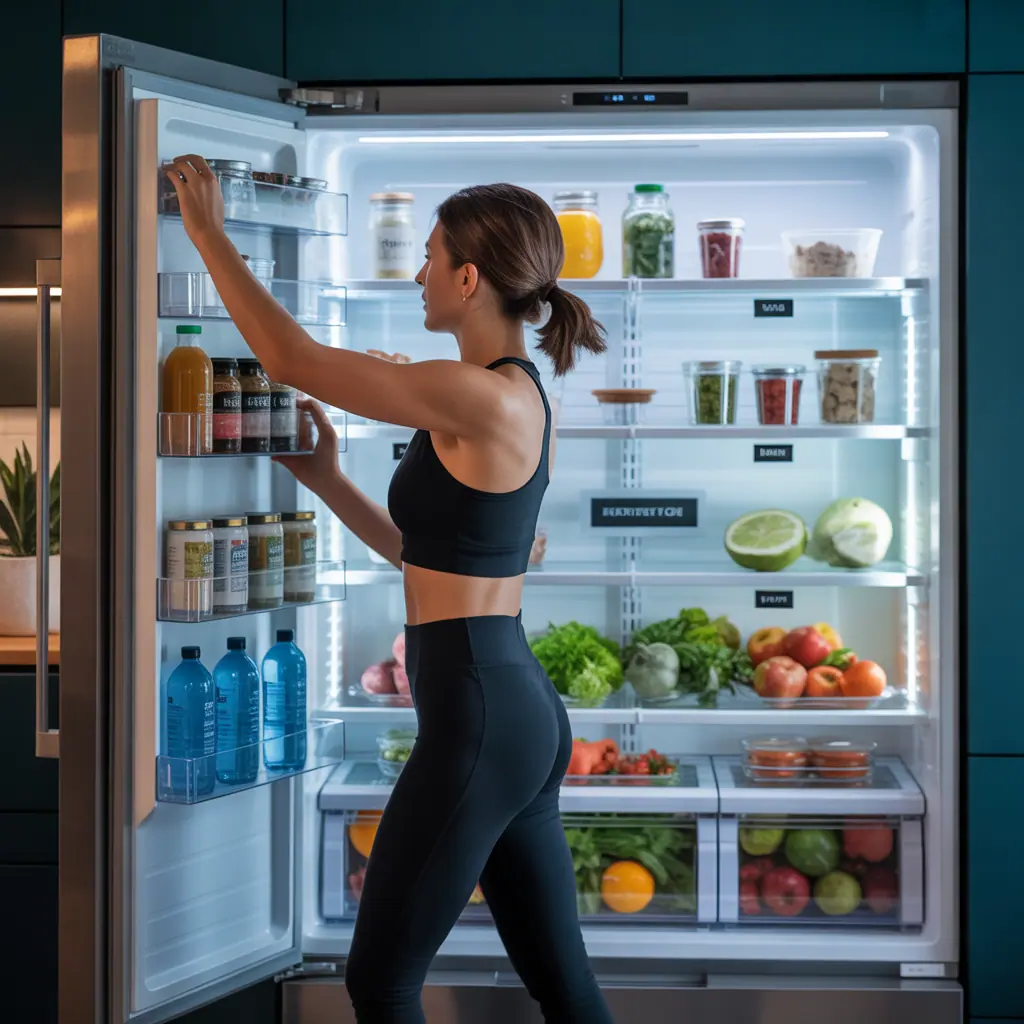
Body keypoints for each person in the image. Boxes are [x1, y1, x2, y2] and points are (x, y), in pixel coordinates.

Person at [164, 160, 615, 1024]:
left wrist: (209, 236)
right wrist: (329, 479)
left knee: (382, 983)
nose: (418, 274)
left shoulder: (474, 393)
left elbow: (289, 358)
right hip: (507, 707)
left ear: (469, 278)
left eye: (430, 256)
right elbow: (423, 554)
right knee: (562, 987)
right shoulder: (502, 395)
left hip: (481, 715)